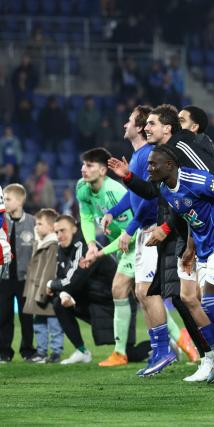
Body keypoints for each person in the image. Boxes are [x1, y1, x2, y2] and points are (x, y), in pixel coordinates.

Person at [108, 104, 214, 382]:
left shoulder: (185, 147)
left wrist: (166, 227)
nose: (145, 128)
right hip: (182, 232)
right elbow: (154, 192)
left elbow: (210, 183)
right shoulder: (163, 156)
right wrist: (127, 177)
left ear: (167, 128)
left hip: (204, 233)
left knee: (202, 297)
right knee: (183, 297)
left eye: (151, 124)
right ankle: (212, 355)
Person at [99, 106, 197, 376]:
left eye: (130, 121)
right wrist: (113, 211)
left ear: (140, 126)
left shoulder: (147, 156)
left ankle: (167, 350)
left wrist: (129, 228)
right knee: (143, 292)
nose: (125, 125)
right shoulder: (140, 155)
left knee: (150, 292)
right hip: (148, 228)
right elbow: (136, 195)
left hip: (154, 228)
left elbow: (148, 199)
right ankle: (162, 350)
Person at [148, 144, 214, 386]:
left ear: (170, 166)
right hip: (205, 247)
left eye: (154, 164)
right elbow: (191, 218)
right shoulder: (165, 188)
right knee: (196, 301)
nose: (149, 168)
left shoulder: (196, 179)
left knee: (210, 300)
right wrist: (190, 248)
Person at [49, 215, 148, 365]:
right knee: (58, 303)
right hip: (95, 302)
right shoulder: (63, 249)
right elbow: (63, 277)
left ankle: (164, 346)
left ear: (75, 228)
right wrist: (64, 293)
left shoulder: (87, 248)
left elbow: (74, 279)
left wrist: (51, 284)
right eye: (56, 232)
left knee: (128, 354)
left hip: (117, 304)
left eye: (63, 230)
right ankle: (81, 351)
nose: (59, 236)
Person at [75, 147, 141, 367]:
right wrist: (91, 245)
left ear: (103, 170)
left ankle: (120, 353)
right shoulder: (82, 188)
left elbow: (130, 233)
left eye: (90, 165)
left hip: (136, 243)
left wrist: (100, 253)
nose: (84, 169)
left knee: (120, 289)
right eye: (84, 164)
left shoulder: (116, 192)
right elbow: (85, 217)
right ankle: (182, 341)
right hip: (118, 246)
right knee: (146, 297)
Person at [22, 208, 63, 363]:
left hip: (46, 290)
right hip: (36, 290)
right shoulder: (40, 242)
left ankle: (56, 352)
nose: (36, 227)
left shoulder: (52, 244)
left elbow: (50, 270)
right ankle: (41, 351)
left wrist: (46, 290)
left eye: (40, 224)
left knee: (54, 323)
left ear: (52, 227)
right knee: (38, 323)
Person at [0, 184, 35, 362]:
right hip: (4, 279)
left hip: (25, 279)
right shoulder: (0, 221)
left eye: (7, 199)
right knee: (4, 316)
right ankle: (4, 352)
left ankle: (28, 351)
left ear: (20, 200)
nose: (4, 202)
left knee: (26, 317)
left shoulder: (33, 222)